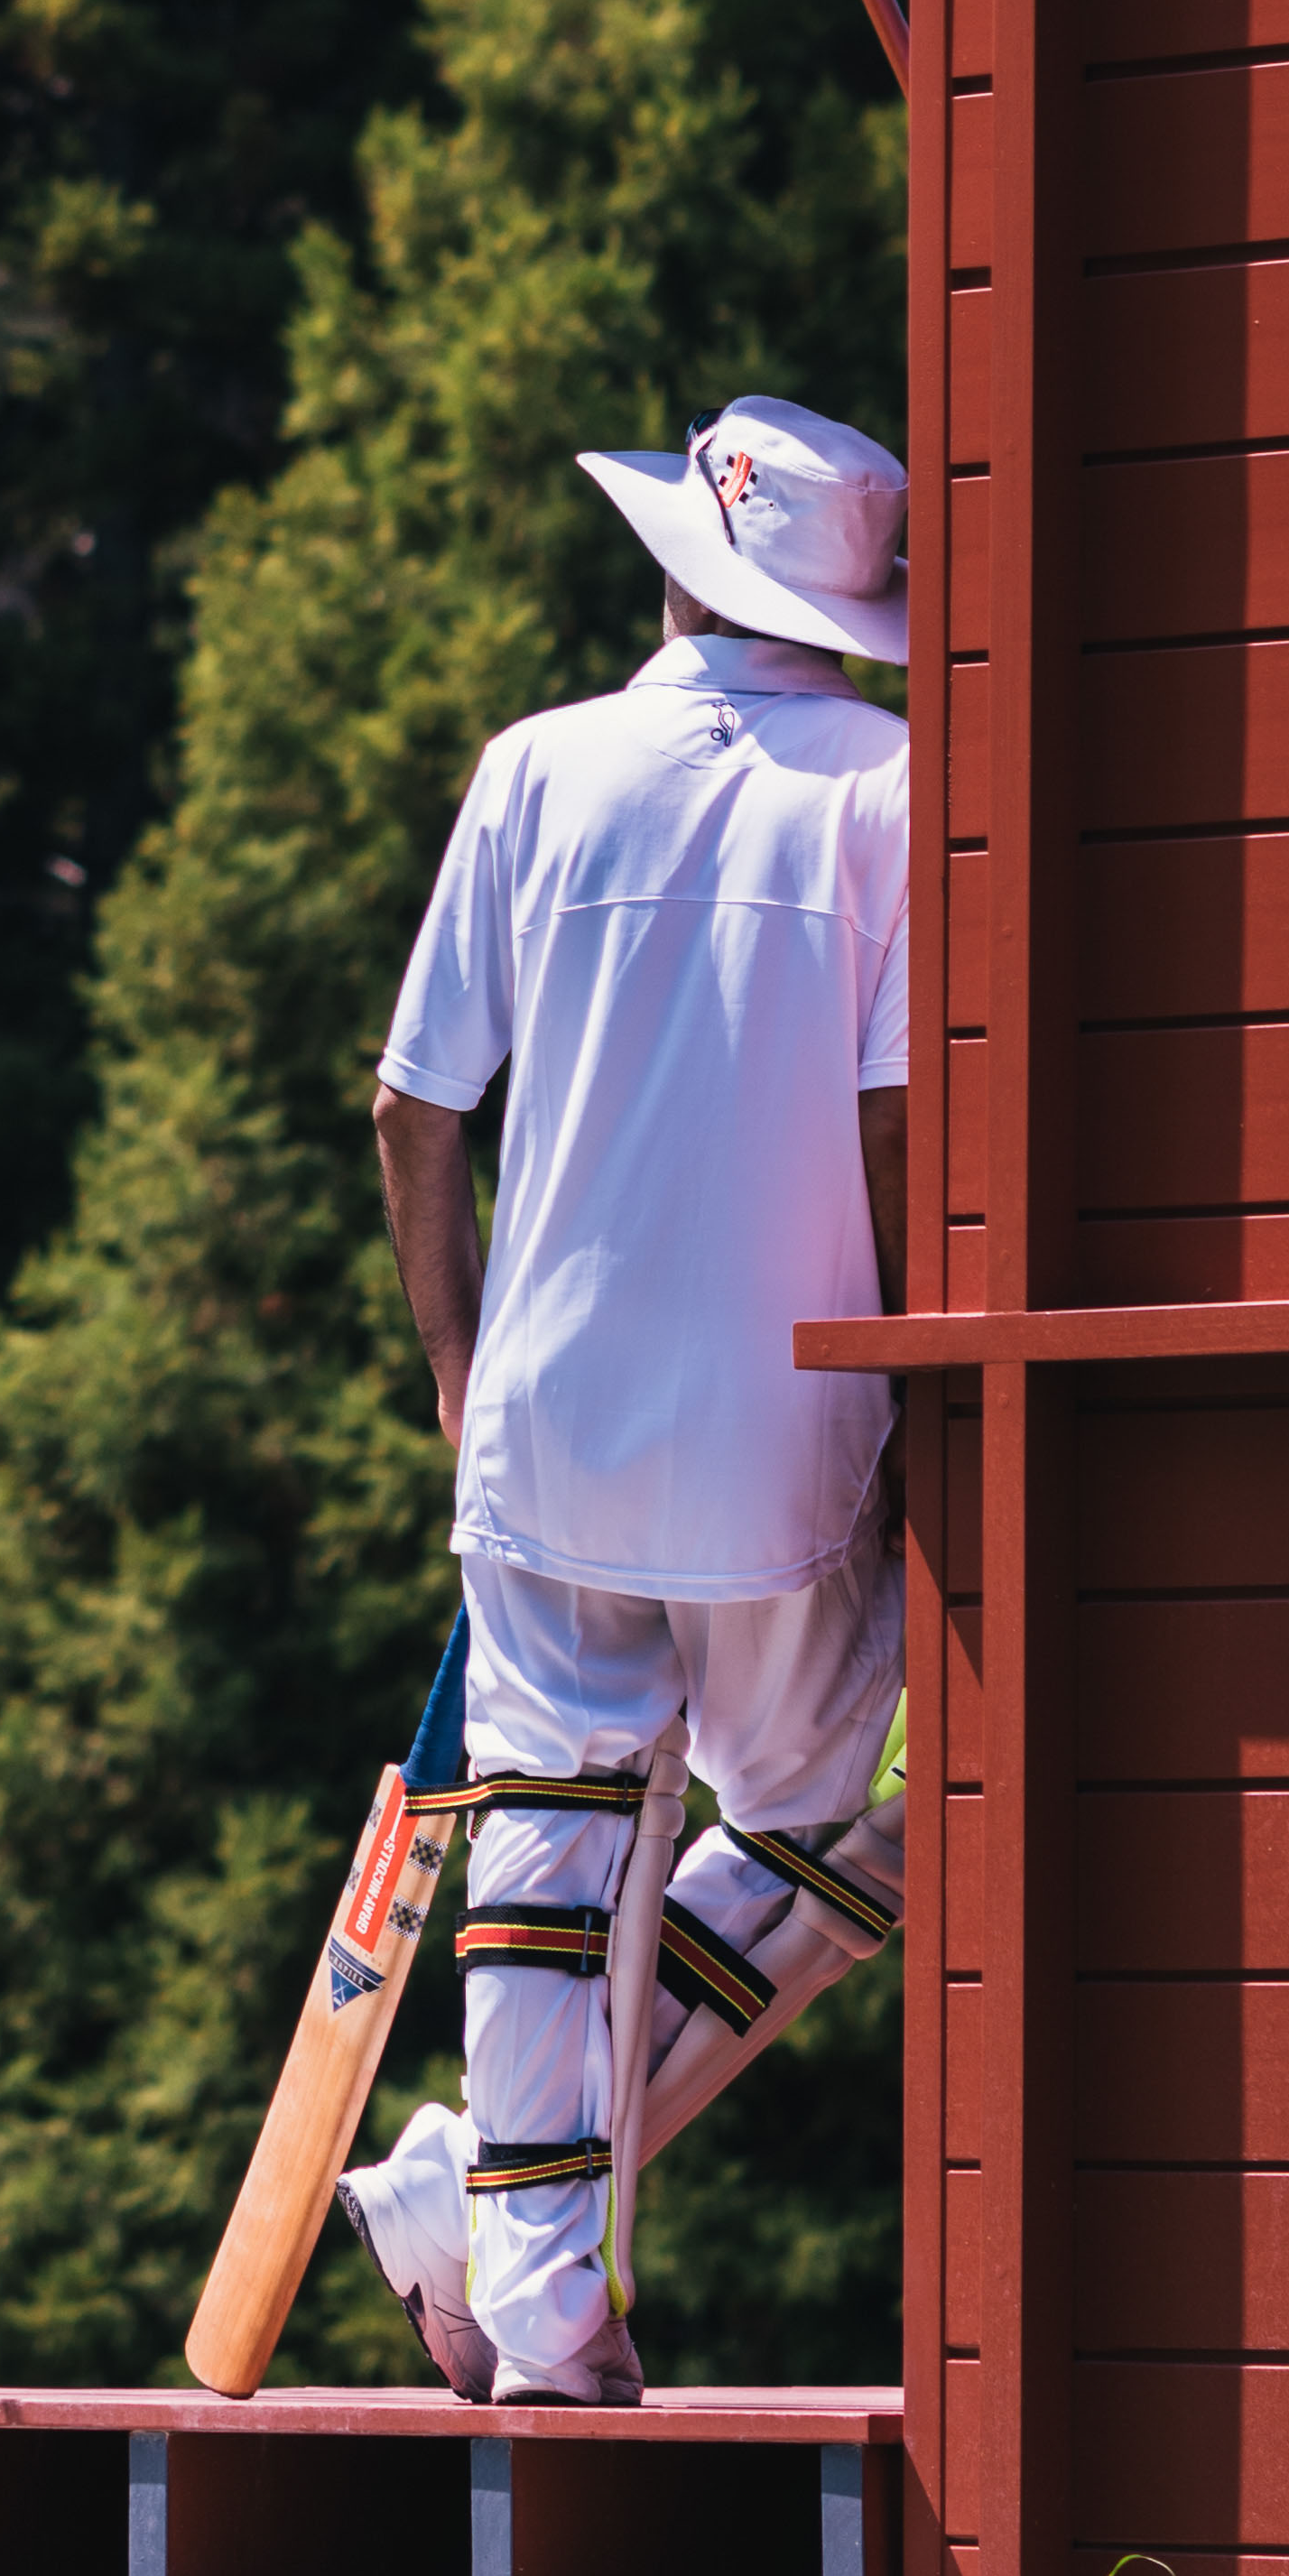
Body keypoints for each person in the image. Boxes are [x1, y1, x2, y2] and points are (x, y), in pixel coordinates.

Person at [338, 393, 912, 2409]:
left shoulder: (532, 770)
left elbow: (416, 1108)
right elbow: (901, 1129)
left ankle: (530, 2279)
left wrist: (449, 1366)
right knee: (864, 1828)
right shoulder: (893, 791)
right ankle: (497, 2222)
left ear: (684, 562)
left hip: (548, 1410)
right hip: (789, 1429)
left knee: (549, 1848)